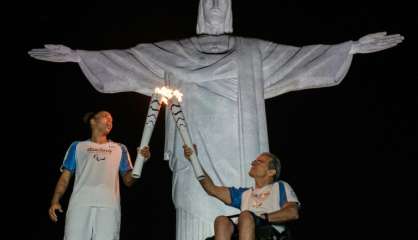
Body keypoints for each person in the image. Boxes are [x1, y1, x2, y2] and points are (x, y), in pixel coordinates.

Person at [29, 1, 403, 239]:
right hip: (195, 155)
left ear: (230, 10)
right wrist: (80, 57)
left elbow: (301, 60)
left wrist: (349, 48)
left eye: (221, 2)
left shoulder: (251, 51)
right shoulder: (177, 52)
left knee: (242, 216)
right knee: (198, 213)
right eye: (207, 2)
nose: (214, 8)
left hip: (242, 153)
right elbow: (129, 61)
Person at [48, 111, 151, 240]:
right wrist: (55, 201)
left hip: (109, 207)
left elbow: (128, 181)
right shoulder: (77, 146)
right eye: (106, 117)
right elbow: (65, 178)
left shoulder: (120, 148)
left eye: (112, 120)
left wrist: (141, 162)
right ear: (93, 121)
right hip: (80, 204)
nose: (110, 121)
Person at [184, 144, 299, 240]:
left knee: (245, 216)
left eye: (259, 162)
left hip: (270, 232)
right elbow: (211, 189)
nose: (253, 163)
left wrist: (264, 217)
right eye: (254, 161)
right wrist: (194, 160)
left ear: (271, 172)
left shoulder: (280, 187)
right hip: (246, 229)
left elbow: (292, 212)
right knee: (221, 221)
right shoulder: (244, 194)